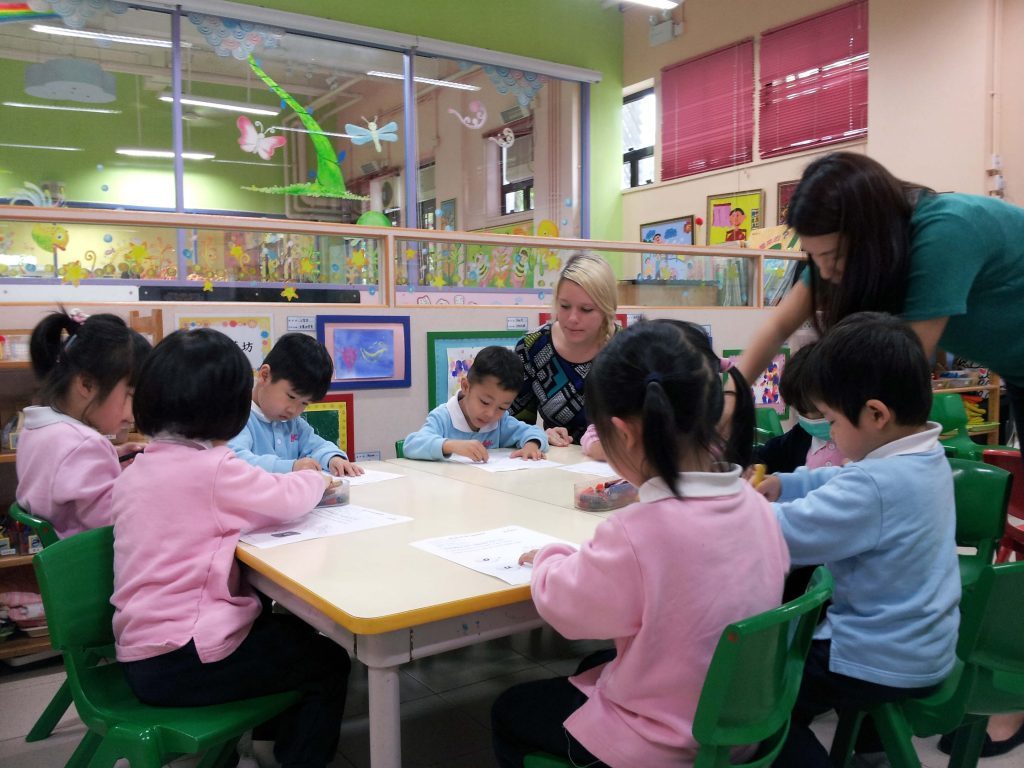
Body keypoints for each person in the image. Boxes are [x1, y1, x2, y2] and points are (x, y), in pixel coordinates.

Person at [733, 151, 1024, 755]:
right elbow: (780, 327)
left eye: (833, 258)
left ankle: (1016, 694)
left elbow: (888, 371)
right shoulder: (914, 458)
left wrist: (742, 503)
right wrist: (730, 397)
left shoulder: (946, 233)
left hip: (877, 659)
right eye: (814, 258)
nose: (826, 273)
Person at [491, 320, 788, 768]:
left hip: (661, 745)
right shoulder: (757, 507)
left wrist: (551, 557)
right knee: (595, 662)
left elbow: (567, 610)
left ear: (624, 435)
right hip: (738, 729)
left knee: (509, 709)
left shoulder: (638, 531)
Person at [111, 328, 349, 768]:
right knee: (329, 661)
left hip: (139, 649)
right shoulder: (213, 468)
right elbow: (287, 499)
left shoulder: (137, 467)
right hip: (186, 656)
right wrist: (316, 479)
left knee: (292, 633)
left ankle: (265, 749)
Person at [755, 313, 960, 767]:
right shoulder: (925, 455)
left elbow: (782, 534)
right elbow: (842, 479)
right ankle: (871, 749)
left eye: (831, 420)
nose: (829, 432)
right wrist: (787, 485)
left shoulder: (876, 486)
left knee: (763, 694)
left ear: (875, 414)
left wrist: (733, 511)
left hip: (877, 654)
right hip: (927, 642)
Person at [15, 309, 151, 539]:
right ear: (86, 384)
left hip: (64, 565)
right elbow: (116, 521)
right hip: (96, 567)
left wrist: (112, 455)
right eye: (129, 395)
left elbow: (64, 478)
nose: (132, 415)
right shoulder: (84, 444)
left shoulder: (37, 429)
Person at [510, 253, 619, 447]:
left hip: (619, 468)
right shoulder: (532, 347)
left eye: (586, 309)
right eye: (565, 306)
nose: (572, 318)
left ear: (607, 308)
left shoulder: (628, 349)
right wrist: (537, 436)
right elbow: (511, 425)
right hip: (559, 467)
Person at [229, 332, 363, 476]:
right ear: (265, 375)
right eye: (291, 396)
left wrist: (333, 458)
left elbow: (316, 445)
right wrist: (290, 466)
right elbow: (236, 462)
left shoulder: (292, 422)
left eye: (304, 403)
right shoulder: (236, 418)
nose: (294, 410)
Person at [403, 345, 547, 462]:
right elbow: (411, 445)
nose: (490, 414)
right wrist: (451, 445)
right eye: (485, 402)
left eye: (502, 408)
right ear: (466, 387)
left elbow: (534, 432)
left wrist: (531, 445)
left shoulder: (501, 423)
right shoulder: (443, 418)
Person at [752, 343, 848, 474]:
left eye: (821, 413)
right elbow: (765, 455)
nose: (812, 420)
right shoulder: (800, 438)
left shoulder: (859, 446)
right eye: (802, 412)